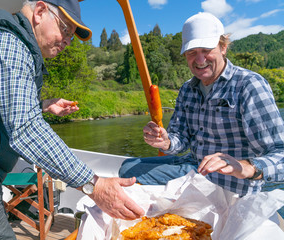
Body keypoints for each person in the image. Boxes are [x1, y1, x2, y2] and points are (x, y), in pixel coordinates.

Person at [0, 0, 144, 239]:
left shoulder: (6, 37)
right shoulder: (8, 38)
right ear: (40, 12)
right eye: (65, 30)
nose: (67, 42)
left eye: (70, 37)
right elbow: (25, 129)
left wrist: (42, 106)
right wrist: (94, 185)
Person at [119, 12, 284, 197]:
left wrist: (248, 167)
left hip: (229, 185)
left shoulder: (249, 85)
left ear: (223, 47)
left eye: (206, 50)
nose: (199, 60)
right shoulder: (187, 89)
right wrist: (166, 142)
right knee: (127, 166)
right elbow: (180, 139)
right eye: (192, 52)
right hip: (194, 167)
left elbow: (281, 152)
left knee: (128, 173)